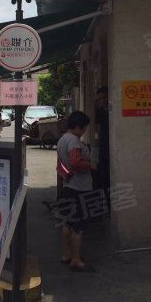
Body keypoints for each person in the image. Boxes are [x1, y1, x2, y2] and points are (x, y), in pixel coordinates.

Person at [56, 110, 97, 272]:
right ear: (79, 126)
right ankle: (76, 259)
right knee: (78, 227)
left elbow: (60, 165)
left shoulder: (62, 140)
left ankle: (65, 254)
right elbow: (76, 162)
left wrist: (65, 178)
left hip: (68, 187)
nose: (85, 130)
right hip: (79, 188)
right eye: (84, 127)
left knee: (67, 223)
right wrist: (91, 165)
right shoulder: (73, 141)